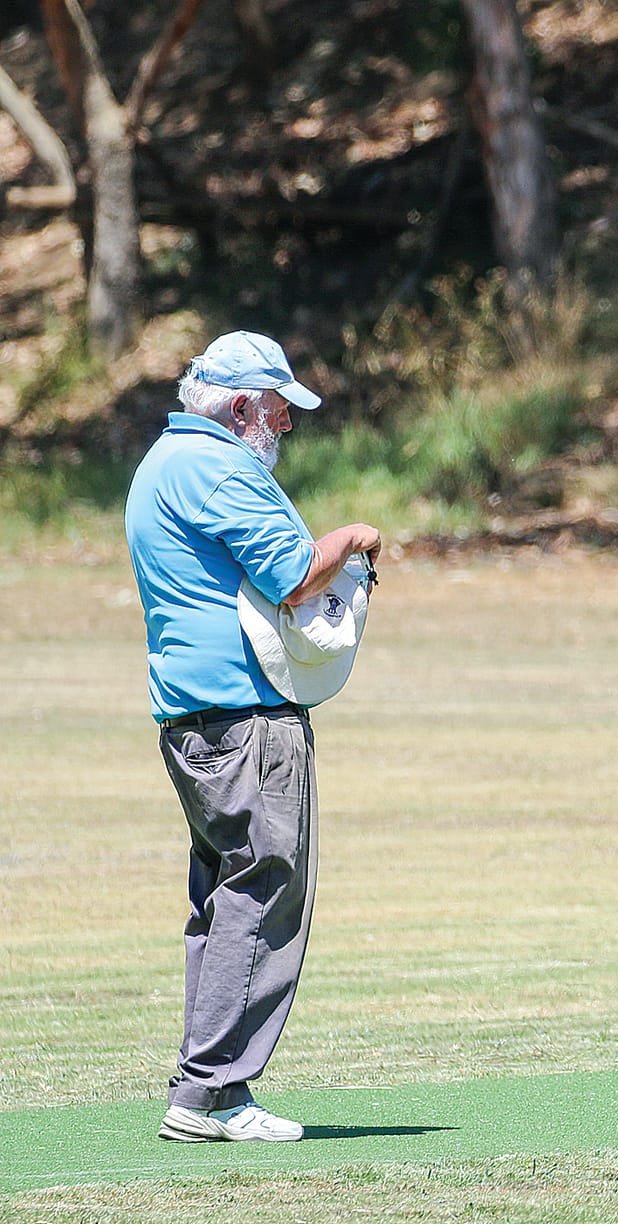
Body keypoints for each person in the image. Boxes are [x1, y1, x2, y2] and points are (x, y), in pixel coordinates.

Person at [127, 331, 382, 1142]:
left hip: (191, 716)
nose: (287, 423)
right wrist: (354, 538)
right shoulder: (222, 467)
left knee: (223, 896)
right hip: (247, 717)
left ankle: (203, 1088)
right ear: (242, 407)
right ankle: (211, 1095)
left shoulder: (162, 462)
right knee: (267, 891)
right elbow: (295, 574)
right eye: (279, 408)